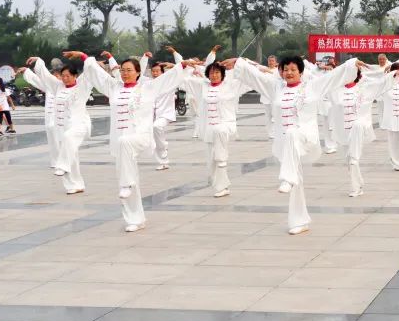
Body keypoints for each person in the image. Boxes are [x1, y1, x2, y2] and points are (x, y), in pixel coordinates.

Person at [230, 54, 360, 234]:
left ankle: (286, 178)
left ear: (301, 72)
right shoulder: (275, 88)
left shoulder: (312, 87)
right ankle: (299, 221)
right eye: (285, 70)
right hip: (287, 144)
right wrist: (239, 63)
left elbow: (334, 76)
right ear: (281, 72)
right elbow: (256, 76)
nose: (289, 73)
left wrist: (352, 64)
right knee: (296, 180)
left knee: (292, 135)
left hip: (306, 138)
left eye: (293, 69)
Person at [68, 48, 184, 232]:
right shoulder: (114, 87)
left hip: (140, 136)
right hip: (120, 140)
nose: (125, 73)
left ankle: (126, 184)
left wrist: (183, 65)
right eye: (122, 70)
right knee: (127, 172)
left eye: (129, 70)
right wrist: (84, 57)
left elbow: (168, 79)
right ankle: (134, 219)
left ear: (138, 72)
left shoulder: (148, 87)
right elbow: (98, 74)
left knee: (125, 156)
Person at [179, 58, 252, 198]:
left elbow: (249, 78)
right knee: (211, 161)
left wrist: (239, 62)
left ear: (223, 74)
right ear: (207, 74)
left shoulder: (232, 85)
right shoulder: (202, 86)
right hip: (209, 129)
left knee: (220, 156)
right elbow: (183, 81)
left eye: (217, 72)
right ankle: (222, 185)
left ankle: (222, 185)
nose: (214, 75)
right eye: (211, 73)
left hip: (225, 125)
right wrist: (183, 66)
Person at [20, 57, 92, 194]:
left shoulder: (82, 86)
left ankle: (62, 165)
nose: (64, 79)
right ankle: (74, 185)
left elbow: (90, 73)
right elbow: (45, 76)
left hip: (78, 125)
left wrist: (84, 57)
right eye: (63, 76)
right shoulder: (58, 86)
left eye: (68, 76)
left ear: (75, 76)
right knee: (71, 155)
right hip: (61, 126)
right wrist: (38, 61)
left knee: (68, 142)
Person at [326, 62, 387, 197]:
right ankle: (359, 184)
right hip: (343, 131)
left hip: (358, 128)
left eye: (352, 73)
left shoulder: (363, 89)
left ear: (357, 75)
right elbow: (325, 81)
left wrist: (393, 73)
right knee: (349, 160)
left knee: (353, 159)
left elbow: (381, 83)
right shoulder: (335, 90)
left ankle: (355, 188)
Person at [20, 61, 63, 167]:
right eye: (54, 75)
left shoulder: (65, 86)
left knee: (63, 140)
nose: (56, 77)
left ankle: (65, 160)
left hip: (63, 120)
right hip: (50, 120)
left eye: (58, 75)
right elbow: (36, 80)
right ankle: (55, 161)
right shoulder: (49, 87)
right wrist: (26, 71)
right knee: (52, 140)